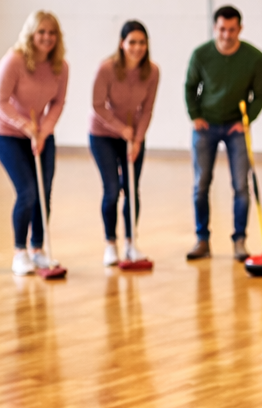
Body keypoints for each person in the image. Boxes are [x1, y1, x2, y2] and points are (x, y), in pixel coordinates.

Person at [184, 5, 262, 262]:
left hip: (235, 127)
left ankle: (240, 240)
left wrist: (247, 120)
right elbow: (190, 86)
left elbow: (260, 93)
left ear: (239, 29)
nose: (227, 34)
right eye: (222, 29)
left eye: (232, 29)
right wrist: (195, 115)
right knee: (201, 185)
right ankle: (202, 240)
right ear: (215, 28)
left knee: (241, 186)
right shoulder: (201, 55)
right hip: (206, 126)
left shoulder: (254, 58)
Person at [0, 10, 69, 276]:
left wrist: (44, 131)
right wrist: (25, 126)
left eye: (52, 33)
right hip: (7, 133)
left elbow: (58, 102)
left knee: (44, 191)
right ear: (31, 34)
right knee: (27, 191)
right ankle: (19, 252)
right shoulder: (14, 60)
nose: (47, 38)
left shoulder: (61, 66)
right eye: (41, 32)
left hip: (40, 132)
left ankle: (38, 250)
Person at [89, 20, 160, 266]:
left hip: (133, 137)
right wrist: (121, 129)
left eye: (142, 42)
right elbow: (98, 105)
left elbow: (148, 109)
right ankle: (111, 244)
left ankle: (131, 243)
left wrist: (137, 139)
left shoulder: (152, 71)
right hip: (103, 135)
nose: (137, 47)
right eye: (132, 42)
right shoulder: (107, 69)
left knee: (131, 189)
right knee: (111, 190)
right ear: (122, 44)